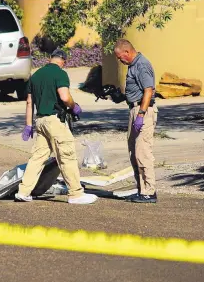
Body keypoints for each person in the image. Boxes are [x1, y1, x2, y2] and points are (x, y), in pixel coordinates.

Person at [15, 49, 98, 204]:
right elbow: (65, 97)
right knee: (66, 155)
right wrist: (74, 107)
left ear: (50, 58)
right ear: (63, 61)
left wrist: (28, 125)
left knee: (37, 158)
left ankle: (24, 191)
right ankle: (75, 194)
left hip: (40, 121)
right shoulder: (60, 74)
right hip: (54, 122)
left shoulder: (36, 75)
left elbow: (29, 102)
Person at [113, 39, 158, 203]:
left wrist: (141, 114)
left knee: (143, 152)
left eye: (120, 57)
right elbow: (136, 90)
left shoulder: (142, 64)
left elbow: (148, 90)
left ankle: (150, 192)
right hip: (134, 109)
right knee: (134, 153)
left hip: (143, 111)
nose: (120, 60)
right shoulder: (133, 65)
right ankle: (142, 190)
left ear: (127, 52)